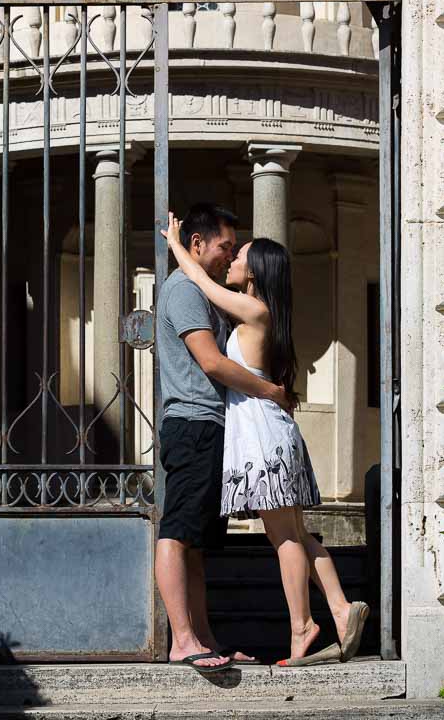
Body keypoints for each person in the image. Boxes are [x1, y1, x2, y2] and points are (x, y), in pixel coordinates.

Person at [162, 213, 370, 666]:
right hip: (270, 430)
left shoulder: (253, 310)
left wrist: (177, 247)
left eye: (239, 255)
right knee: (296, 532)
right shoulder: (257, 310)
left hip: (262, 432)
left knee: (284, 539)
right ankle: (338, 607)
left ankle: (303, 627)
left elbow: (201, 282)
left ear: (254, 272)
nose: (233, 258)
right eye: (230, 249)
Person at [154, 203, 294, 674]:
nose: (230, 255)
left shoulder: (204, 289)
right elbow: (212, 363)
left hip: (211, 427)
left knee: (198, 542)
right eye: (225, 246)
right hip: (193, 424)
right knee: (177, 533)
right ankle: (182, 640)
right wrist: (271, 391)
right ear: (198, 244)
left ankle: (205, 637)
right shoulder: (183, 292)